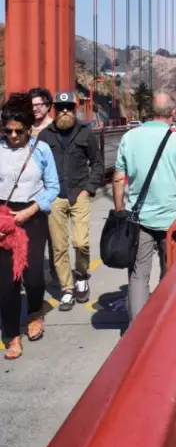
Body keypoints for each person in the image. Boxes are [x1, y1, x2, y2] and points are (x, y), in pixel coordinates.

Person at [112, 92, 176, 320]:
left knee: (139, 275)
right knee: (170, 272)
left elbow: (119, 178)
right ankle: (166, 320)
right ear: (171, 113)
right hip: (172, 221)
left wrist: (120, 211)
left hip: (139, 219)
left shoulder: (130, 137)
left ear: (149, 112)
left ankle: (137, 329)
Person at [0, 93, 59, 360]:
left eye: (19, 131)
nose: (13, 136)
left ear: (29, 128)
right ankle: (12, 334)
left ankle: (35, 312)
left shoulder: (42, 150)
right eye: (8, 130)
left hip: (33, 217)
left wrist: (31, 210)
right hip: (3, 217)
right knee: (7, 282)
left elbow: (53, 187)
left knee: (33, 276)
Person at [39, 90, 104, 310]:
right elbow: (37, 167)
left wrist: (89, 189)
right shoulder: (45, 136)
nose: (65, 111)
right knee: (58, 247)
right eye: (60, 107)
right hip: (55, 197)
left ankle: (82, 276)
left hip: (79, 194)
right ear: (54, 110)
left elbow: (97, 163)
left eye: (69, 108)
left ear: (75, 110)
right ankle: (67, 289)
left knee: (80, 243)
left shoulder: (86, 133)